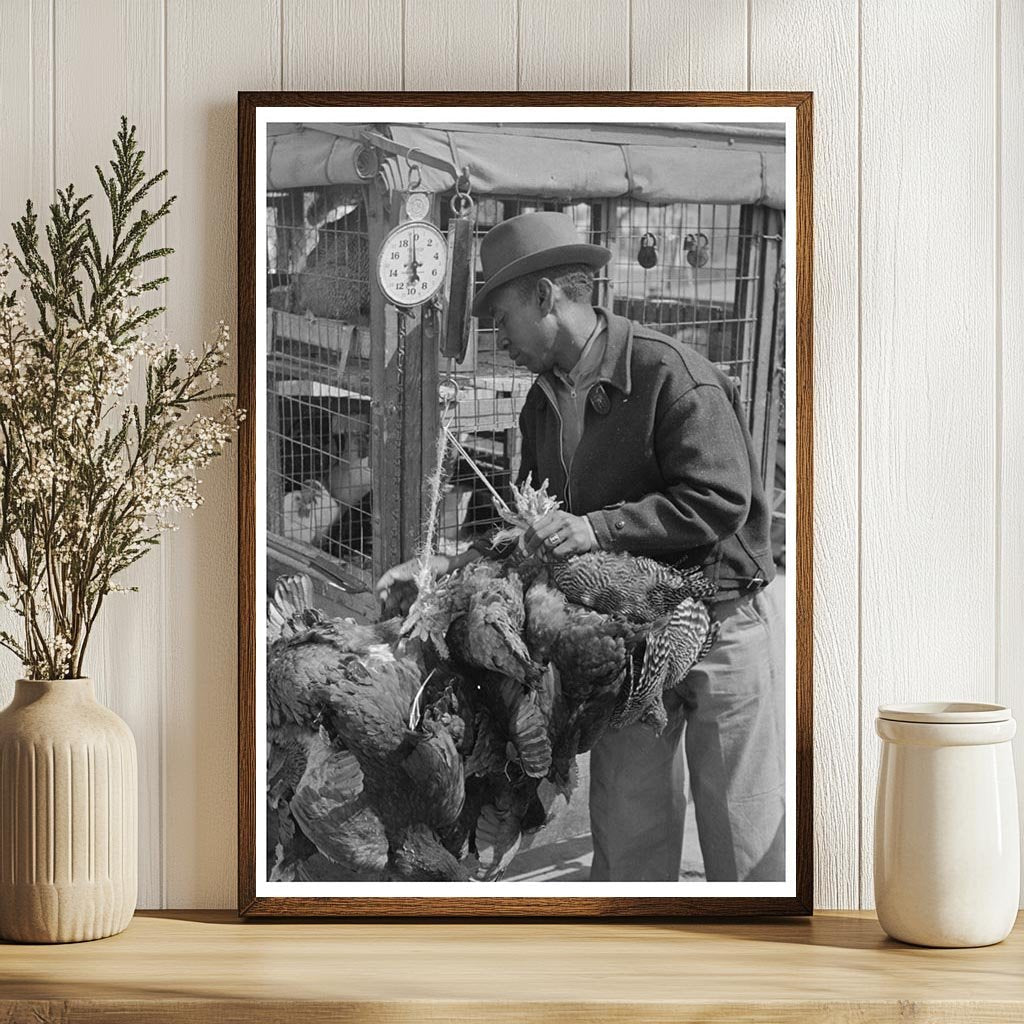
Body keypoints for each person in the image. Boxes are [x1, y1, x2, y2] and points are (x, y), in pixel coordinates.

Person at [375, 211, 785, 882]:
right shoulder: (540, 406)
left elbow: (721, 498)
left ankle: (759, 973)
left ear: (546, 297)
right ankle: (631, 970)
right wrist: (442, 571)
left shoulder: (671, 374)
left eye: (502, 316)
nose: (497, 337)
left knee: (743, 826)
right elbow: (532, 530)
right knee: (629, 825)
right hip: (620, 641)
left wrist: (598, 527)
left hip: (719, 620)